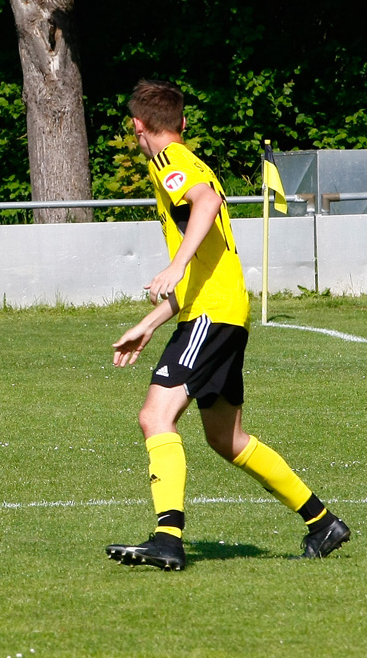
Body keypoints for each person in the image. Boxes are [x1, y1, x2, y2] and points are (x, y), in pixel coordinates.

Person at [105, 80, 350, 570]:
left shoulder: (171, 163)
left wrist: (174, 267)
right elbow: (204, 265)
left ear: (137, 126)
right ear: (182, 122)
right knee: (227, 438)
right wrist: (151, 321)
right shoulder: (188, 162)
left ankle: (167, 538)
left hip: (212, 316)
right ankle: (322, 522)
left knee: (155, 417)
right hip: (220, 314)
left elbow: (207, 204)